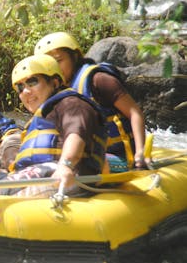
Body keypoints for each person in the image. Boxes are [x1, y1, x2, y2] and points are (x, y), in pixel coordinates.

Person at [0, 55, 107, 197]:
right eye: (20, 88)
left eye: (32, 82)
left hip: (58, 175)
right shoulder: (43, 115)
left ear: (55, 82)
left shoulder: (71, 103)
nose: (25, 92)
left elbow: (76, 134)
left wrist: (66, 165)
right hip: (36, 174)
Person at [34, 32, 148, 172]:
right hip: (87, 153)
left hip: (120, 156)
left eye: (58, 61)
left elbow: (135, 113)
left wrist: (140, 153)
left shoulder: (99, 80)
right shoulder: (56, 91)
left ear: (74, 56)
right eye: (48, 64)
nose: (54, 68)